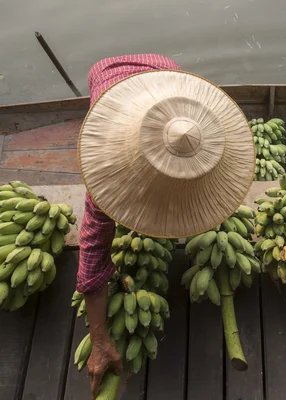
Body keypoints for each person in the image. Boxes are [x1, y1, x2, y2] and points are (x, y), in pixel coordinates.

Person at [76, 54, 182, 397]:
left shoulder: (187, 123)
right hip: (103, 76)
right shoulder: (105, 181)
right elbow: (92, 257)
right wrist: (100, 339)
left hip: (164, 70)